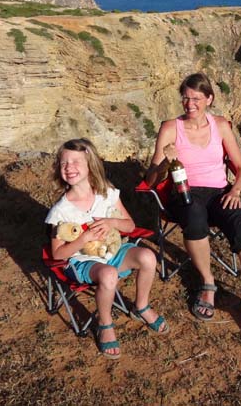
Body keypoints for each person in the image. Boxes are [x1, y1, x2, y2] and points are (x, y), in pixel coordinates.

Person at [146, 73, 241, 360]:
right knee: (193, 212)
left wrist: (236, 191)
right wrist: (165, 162)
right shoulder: (171, 128)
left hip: (220, 191)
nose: (190, 103)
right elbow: (151, 179)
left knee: (239, 225)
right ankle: (207, 283)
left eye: (196, 98)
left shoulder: (220, 126)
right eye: (186, 97)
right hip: (184, 194)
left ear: (209, 99)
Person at [46, 138, 168, 360]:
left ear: (90, 164)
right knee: (109, 274)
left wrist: (112, 223)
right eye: (63, 163)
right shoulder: (61, 211)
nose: (68, 167)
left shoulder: (107, 194)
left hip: (113, 252)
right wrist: (83, 239)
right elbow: (57, 254)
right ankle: (105, 324)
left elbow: (130, 226)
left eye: (75, 162)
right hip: (83, 262)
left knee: (148, 257)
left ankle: (141, 305)